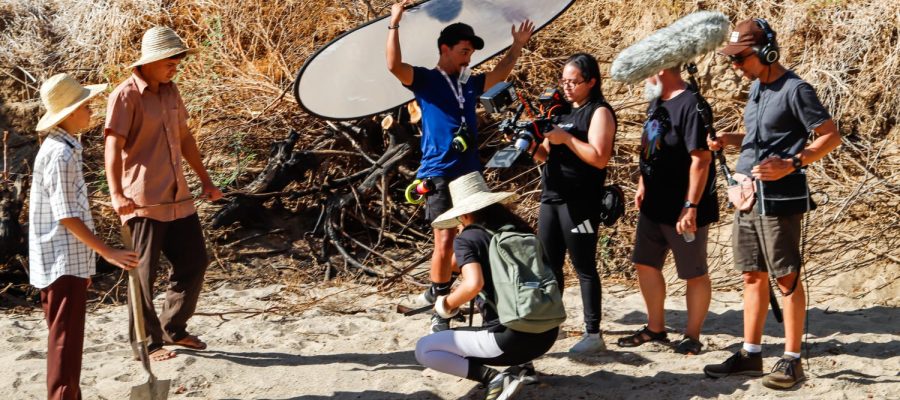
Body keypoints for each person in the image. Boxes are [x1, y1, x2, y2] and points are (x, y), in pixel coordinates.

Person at [703, 18, 841, 389]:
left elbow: (830, 135)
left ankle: (792, 360)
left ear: (767, 52)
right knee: (751, 274)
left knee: (786, 276)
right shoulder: (757, 89)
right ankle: (751, 354)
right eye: (731, 59)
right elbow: (761, 135)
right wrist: (731, 140)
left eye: (740, 58)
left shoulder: (796, 90)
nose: (735, 66)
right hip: (747, 196)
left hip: (780, 197)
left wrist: (793, 163)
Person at [386, 0, 534, 333]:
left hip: (469, 173)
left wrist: (517, 47)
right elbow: (394, 65)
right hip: (437, 171)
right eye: (463, 51)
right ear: (445, 48)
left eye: (470, 52)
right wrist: (394, 23)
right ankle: (440, 307)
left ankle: (463, 292)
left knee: (476, 238)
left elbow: (499, 75)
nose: (468, 57)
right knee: (444, 241)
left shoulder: (468, 83)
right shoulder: (425, 80)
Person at [104, 26, 223, 362]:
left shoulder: (172, 92)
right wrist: (116, 193)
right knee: (142, 275)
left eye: (178, 60)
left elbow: (185, 138)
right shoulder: (125, 95)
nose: (176, 65)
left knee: (194, 262)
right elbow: (112, 145)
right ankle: (146, 344)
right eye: (171, 59)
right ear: (151, 60)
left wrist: (206, 180)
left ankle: (174, 328)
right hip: (142, 200)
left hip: (178, 197)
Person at [29, 73, 139, 399]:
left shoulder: (60, 148)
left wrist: (87, 264)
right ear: (70, 113)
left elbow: (65, 209)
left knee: (64, 339)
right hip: (62, 260)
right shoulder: (61, 154)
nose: (91, 110)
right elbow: (66, 216)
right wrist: (108, 253)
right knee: (66, 343)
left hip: (62, 260)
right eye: (86, 105)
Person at [415, 171, 558, 400]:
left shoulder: (469, 238)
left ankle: (493, 378)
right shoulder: (518, 228)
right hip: (546, 334)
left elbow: (473, 284)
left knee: (425, 349)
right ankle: (523, 367)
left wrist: (445, 306)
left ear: (463, 213)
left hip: (509, 340)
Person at [615, 66, 717, 355]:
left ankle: (692, 335)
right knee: (645, 264)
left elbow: (701, 160)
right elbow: (651, 147)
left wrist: (691, 206)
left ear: (661, 68)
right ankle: (655, 328)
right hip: (654, 203)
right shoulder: (657, 101)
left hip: (683, 206)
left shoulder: (692, 105)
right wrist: (642, 182)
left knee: (694, 272)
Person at [529, 53, 617, 353]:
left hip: (580, 201)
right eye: (563, 81)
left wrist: (566, 138)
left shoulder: (599, 112)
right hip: (551, 197)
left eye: (573, 82)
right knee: (549, 265)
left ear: (591, 82)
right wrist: (529, 144)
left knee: (584, 267)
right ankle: (551, 324)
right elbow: (544, 155)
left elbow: (599, 156)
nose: (566, 87)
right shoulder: (559, 112)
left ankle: (593, 333)